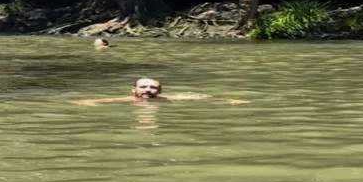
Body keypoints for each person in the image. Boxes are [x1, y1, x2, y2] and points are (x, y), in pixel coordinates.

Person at [72, 78, 248, 106]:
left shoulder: (167, 99)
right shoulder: (127, 100)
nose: (148, 90)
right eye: (143, 87)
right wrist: (87, 102)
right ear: (134, 89)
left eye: (153, 87)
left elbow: (199, 98)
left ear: (160, 90)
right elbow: (104, 101)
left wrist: (227, 100)